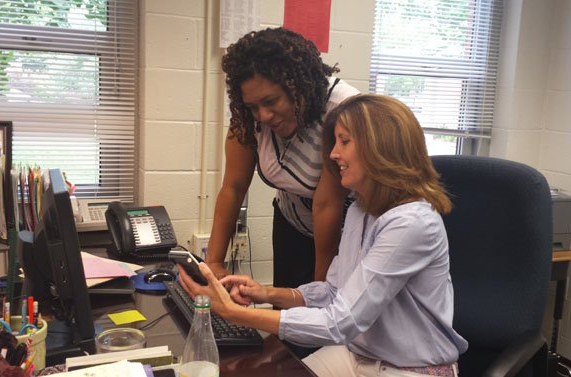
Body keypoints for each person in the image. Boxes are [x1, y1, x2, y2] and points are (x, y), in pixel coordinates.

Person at [178, 94, 468, 377]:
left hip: (407, 369)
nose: (333, 154)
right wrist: (265, 293)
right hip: (358, 356)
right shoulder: (361, 209)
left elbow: (341, 322)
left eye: (344, 141)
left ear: (380, 147)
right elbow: (332, 292)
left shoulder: (411, 224)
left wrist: (234, 313)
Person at [206, 27, 360, 289]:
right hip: (292, 221)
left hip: (343, 233)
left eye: (271, 101)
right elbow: (233, 187)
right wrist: (213, 265)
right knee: (286, 317)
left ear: (299, 85)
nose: (263, 116)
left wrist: (318, 294)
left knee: (323, 314)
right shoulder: (248, 117)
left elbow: (327, 205)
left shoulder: (343, 112)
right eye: (254, 106)